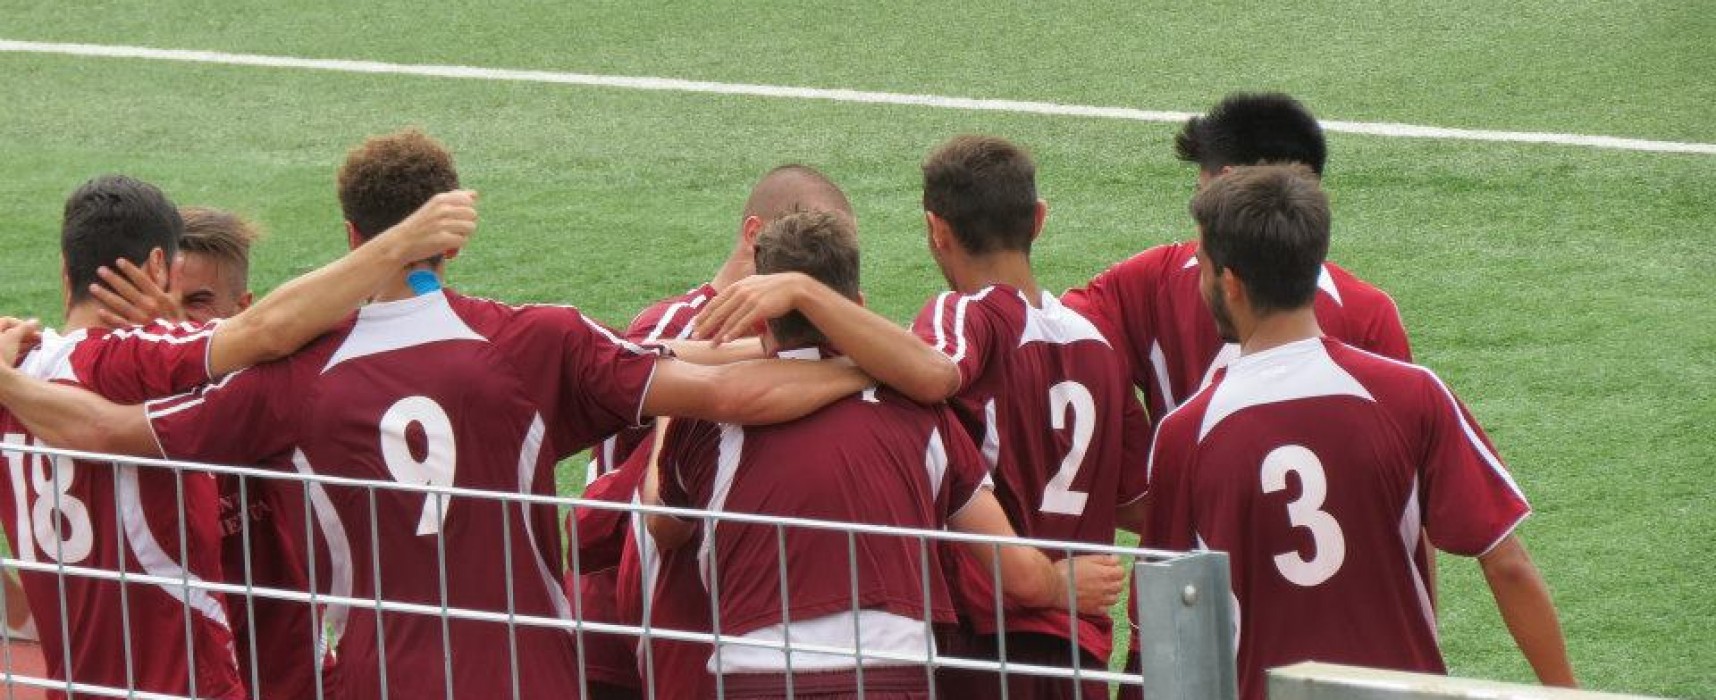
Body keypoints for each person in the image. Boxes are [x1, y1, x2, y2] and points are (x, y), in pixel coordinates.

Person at [0, 130, 872, 699]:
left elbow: (107, 432)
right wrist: (863, 368)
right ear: (452, 238)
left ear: (351, 236)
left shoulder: (290, 377)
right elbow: (732, 391)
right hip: (533, 673)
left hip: (378, 677)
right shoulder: (538, 341)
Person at [694, 135, 1148, 699]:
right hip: (1075, 647)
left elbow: (931, 372)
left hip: (983, 635)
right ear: (1038, 220)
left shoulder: (965, 312)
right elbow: (1135, 500)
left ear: (937, 231)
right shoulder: (1098, 344)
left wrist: (803, 296)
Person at [0, 173, 475, 699]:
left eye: (199, 303)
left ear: (66, 274)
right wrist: (402, 242)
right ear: (162, 267)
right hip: (190, 683)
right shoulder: (130, 362)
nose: (181, 318)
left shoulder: (22, 371)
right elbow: (270, 331)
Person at [1143, 164, 1575, 699]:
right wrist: (1569, 693)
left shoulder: (1186, 432)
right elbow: (1505, 562)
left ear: (1230, 283)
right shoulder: (1412, 395)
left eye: (1203, 267)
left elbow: (1171, 619)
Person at [1058, 93, 1419, 688]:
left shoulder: (1150, 280)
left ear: (1227, 185)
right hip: (1330, 636)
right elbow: (1407, 508)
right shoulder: (1368, 312)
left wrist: (1137, 482)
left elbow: (1062, 350)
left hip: (1186, 623)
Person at [572, 164, 856, 700]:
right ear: (755, 236)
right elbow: (606, 502)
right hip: (630, 628)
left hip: (723, 618)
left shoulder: (824, 336)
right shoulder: (675, 326)